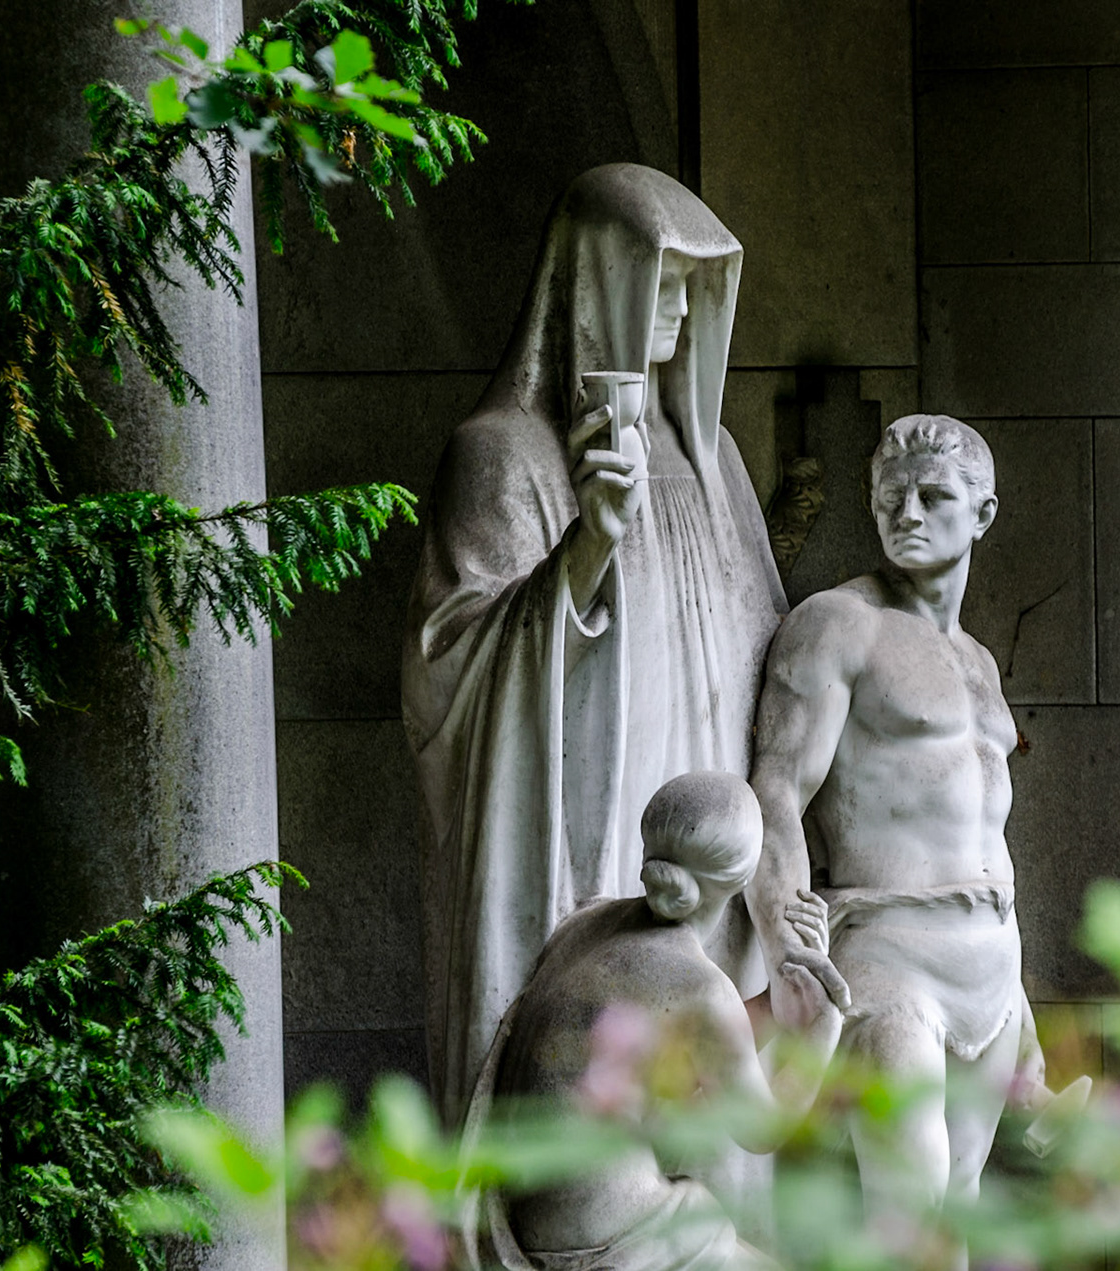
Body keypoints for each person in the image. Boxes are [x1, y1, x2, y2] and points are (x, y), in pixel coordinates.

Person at [403, 165, 786, 1125]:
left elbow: (766, 653)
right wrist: (590, 546)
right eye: (658, 278)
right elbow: (451, 671)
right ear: (592, 283)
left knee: (713, 1107)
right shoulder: (505, 454)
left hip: (712, 813)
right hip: (591, 828)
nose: (678, 306)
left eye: (692, 284)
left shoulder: (717, 465)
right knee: (597, 1097)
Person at [745, 414, 1045, 1229]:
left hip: (992, 960)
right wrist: (786, 942)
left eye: (933, 495)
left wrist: (1022, 1009)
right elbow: (777, 789)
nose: (906, 513)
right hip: (888, 955)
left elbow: (982, 837)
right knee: (909, 1202)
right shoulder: (840, 624)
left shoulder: (979, 662)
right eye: (889, 498)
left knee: (960, 1209)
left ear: (982, 513)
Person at [472, 772, 849, 1271]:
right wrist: (823, 1028)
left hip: (527, 1213)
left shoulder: (588, 921)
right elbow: (763, 1132)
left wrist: (778, 1001)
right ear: (741, 879)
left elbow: (693, 1055)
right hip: (604, 1233)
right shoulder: (701, 988)